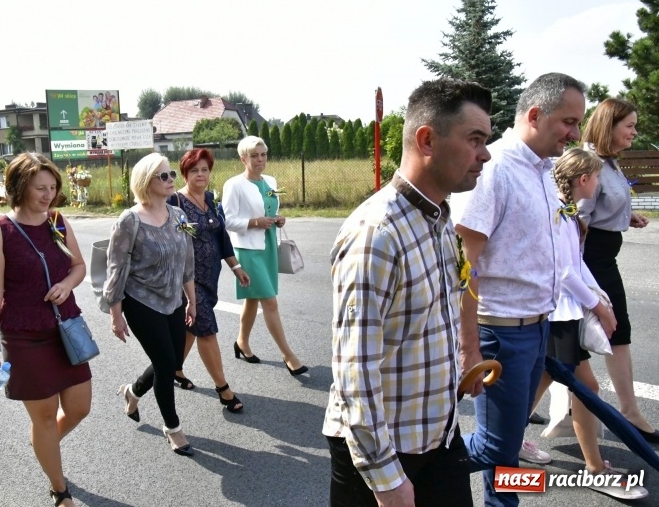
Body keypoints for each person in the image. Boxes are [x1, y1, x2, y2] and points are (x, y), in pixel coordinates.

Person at [323, 78, 492, 507]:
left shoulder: (439, 218)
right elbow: (354, 372)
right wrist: (386, 481)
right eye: (475, 139)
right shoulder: (376, 234)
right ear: (427, 140)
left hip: (437, 433)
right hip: (382, 453)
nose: (485, 154)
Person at [450, 72, 586, 507]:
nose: (576, 133)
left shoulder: (544, 170)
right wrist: (469, 348)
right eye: (568, 121)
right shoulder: (495, 169)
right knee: (496, 449)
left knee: (506, 453)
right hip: (500, 335)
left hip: (535, 329)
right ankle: (403, 467)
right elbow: (462, 268)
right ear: (534, 115)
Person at [531, 148, 647, 500]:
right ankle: (594, 468)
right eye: (597, 177)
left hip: (561, 313)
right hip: (560, 315)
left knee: (544, 379)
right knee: (586, 389)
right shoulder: (561, 215)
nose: (599, 184)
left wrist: (599, 301)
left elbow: (575, 265)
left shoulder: (568, 215)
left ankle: (502, 443)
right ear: (584, 180)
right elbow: (565, 271)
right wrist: (600, 306)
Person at [0, 153, 90, 507]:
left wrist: (68, 284)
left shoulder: (57, 221)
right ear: (20, 187)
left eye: (53, 187)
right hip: (25, 337)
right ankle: (60, 491)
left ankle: (43, 443)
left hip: (66, 328)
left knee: (79, 407)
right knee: (42, 417)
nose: (48, 194)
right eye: (40, 187)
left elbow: (79, 266)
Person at [105, 153, 197, 456]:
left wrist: (191, 300)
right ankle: (173, 428)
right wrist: (116, 314)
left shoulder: (179, 216)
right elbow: (116, 268)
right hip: (140, 301)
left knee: (173, 362)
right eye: (164, 176)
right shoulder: (129, 220)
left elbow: (187, 261)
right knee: (164, 363)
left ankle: (132, 392)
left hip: (173, 299)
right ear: (146, 181)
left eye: (171, 174)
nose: (171, 180)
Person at [578, 98, 657, 443]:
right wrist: (575, 274)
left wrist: (628, 217)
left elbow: (606, 207)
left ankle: (626, 409)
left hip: (603, 257)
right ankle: (628, 410)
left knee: (597, 336)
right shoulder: (589, 162)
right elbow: (577, 219)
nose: (634, 132)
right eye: (629, 126)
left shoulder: (608, 162)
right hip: (589, 260)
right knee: (577, 342)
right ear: (609, 126)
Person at [168, 148, 250, 413]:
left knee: (192, 327)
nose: (200, 174)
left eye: (204, 169)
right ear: (185, 173)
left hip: (210, 277)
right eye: (194, 170)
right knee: (207, 329)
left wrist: (236, 266)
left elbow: (221, 237)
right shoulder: (175, 202)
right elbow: (170, 242)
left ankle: (174, 369)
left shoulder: (212, 199)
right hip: (187, 281)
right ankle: (223, 390)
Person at [221, 136, 307, 376]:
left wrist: (278, 219)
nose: (260, 160)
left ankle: (241, 343)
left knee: (253, 299)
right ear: (243, 159)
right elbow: (227, 221)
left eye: (263, 155)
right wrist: (255, 222)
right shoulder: (234, 185)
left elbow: (271, 207)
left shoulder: (270, 180)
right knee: (270, 301)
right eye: (254, 156)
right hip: (248, 249)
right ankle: (288, 355)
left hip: (268, 245)